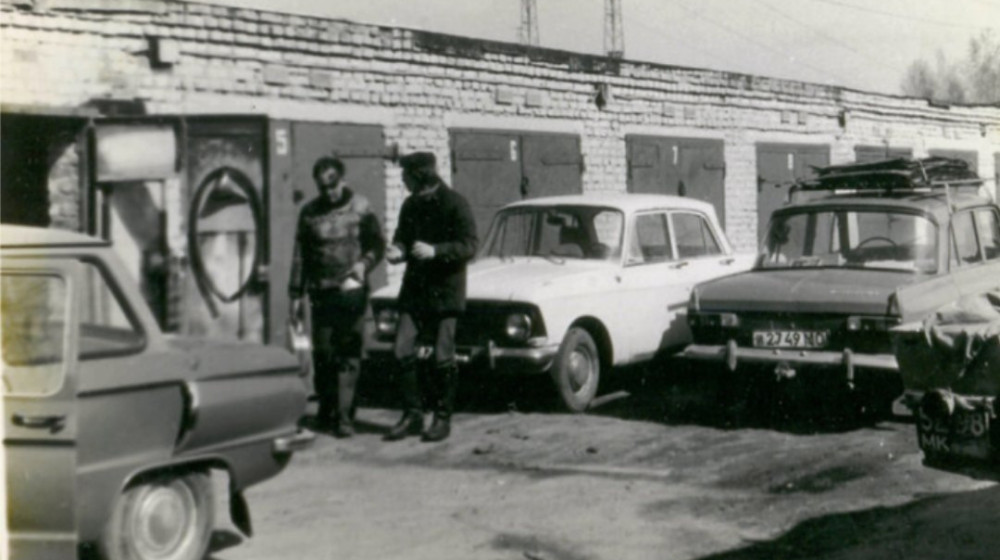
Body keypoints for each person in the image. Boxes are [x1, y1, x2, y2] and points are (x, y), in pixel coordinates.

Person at [384, 152, 477, 442]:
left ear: (419, 176)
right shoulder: (410, 205)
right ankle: (412, 415)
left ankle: (442, 417)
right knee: (401, 350)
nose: (402, 180)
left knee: (442, 356)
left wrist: (436, 251)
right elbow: (402, 237)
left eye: (405, 176)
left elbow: (470, 245)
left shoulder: (455, 203)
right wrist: (398, 251)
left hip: (446, 292)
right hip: (415, 291)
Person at [289, 156, 385, 438]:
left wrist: (364, 264)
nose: (329, 192)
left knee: (348, 353)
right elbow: (300, 256)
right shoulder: (309, 213)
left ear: (342, 180)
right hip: (321, 293)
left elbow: (377, 244)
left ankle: (344, 416)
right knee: (324, 353)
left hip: (351, 292)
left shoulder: (361, 207)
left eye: (333, 185)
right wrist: (295, 294)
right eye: (323, 187)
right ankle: (327, 408)